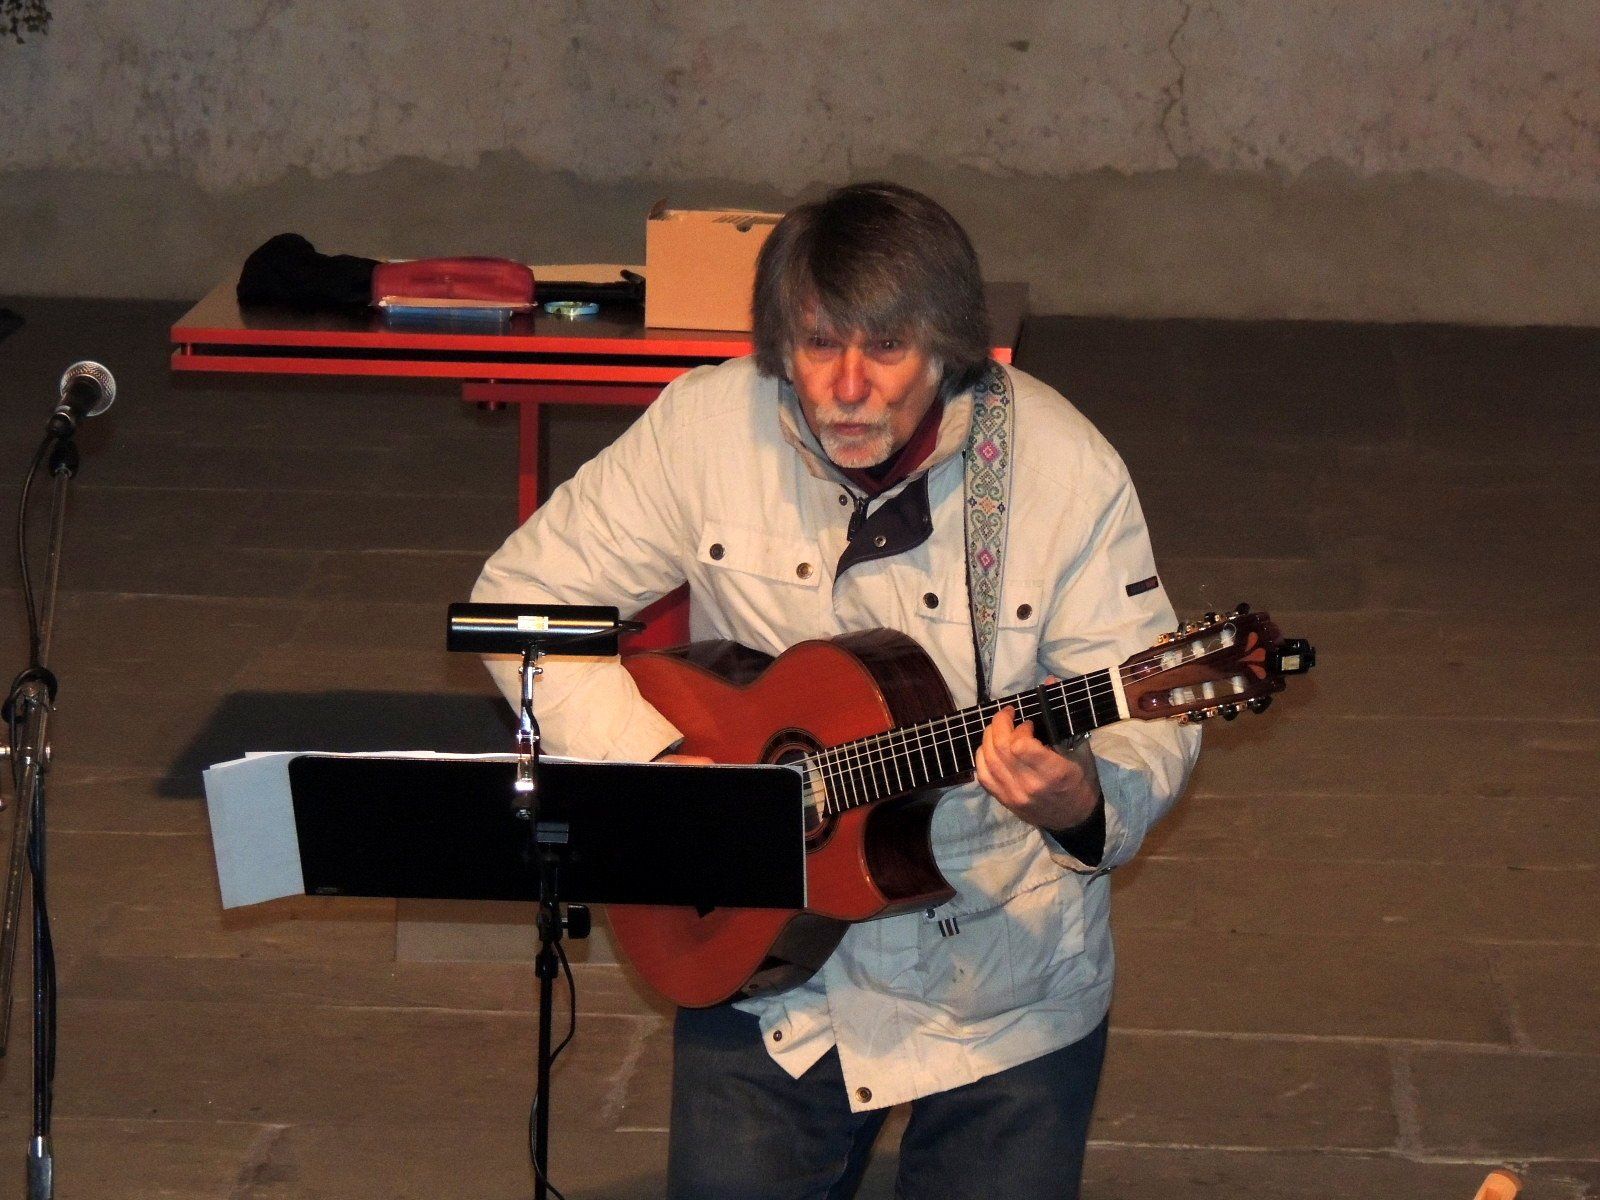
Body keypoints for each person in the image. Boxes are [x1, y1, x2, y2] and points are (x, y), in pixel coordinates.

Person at [473, 182, 1200, 1200]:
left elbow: (1151, 713)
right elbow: (517, 606)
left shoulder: (1061, 470)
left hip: (1003, 978)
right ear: (780, 342)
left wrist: (1083, 800)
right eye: (818, 344)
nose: (848, 387)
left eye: (886, 348)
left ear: (947, 349)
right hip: (763, 963)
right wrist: (661, 768)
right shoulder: (704, 429)